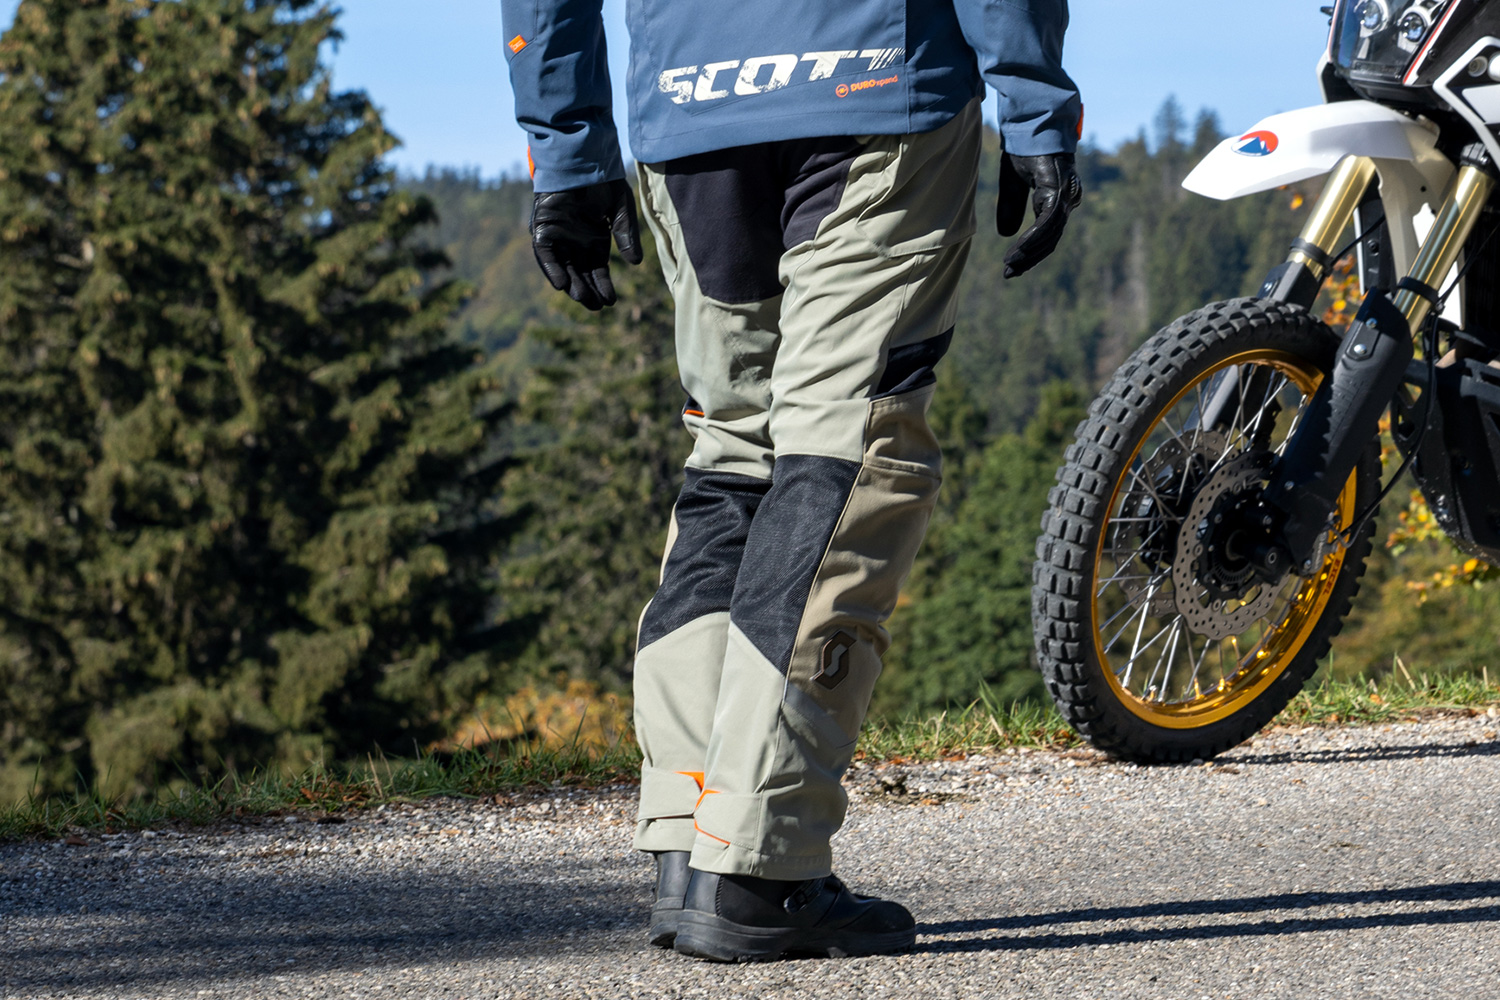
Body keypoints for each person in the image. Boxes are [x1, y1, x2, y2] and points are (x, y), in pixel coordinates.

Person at [502, 0, 1082, 962]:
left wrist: (567, 151)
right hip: (874, 77)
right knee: (848, 450)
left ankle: (695, 837)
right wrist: (1033, 102)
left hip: (689, 101)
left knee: (732, 454)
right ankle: (758, 864)